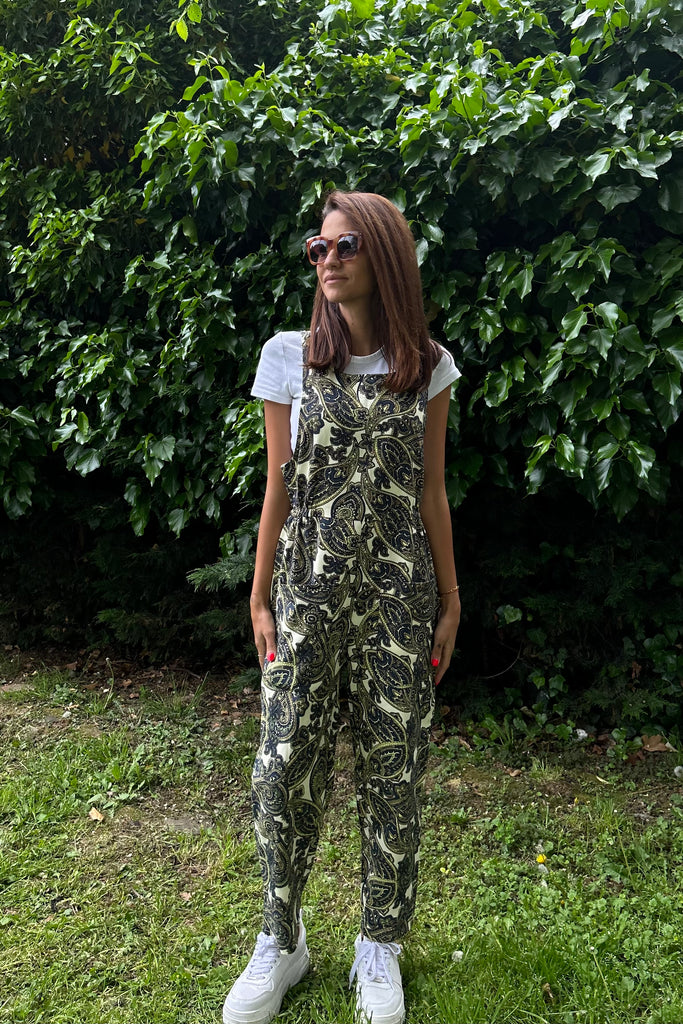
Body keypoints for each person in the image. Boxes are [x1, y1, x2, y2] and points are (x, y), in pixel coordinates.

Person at [222, 190, 461, 1024]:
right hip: (304, 599)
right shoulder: (288, 357)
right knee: (282, 765)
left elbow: (431, 491)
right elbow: (276, 487)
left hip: (398, 601)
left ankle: (377, 945)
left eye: (344, 245)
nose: (326, 260)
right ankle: (280, 939)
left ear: (384, 252)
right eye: (316, 248)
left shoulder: (426, 365)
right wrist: (258, 596)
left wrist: (450, 598)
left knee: (394, 770)